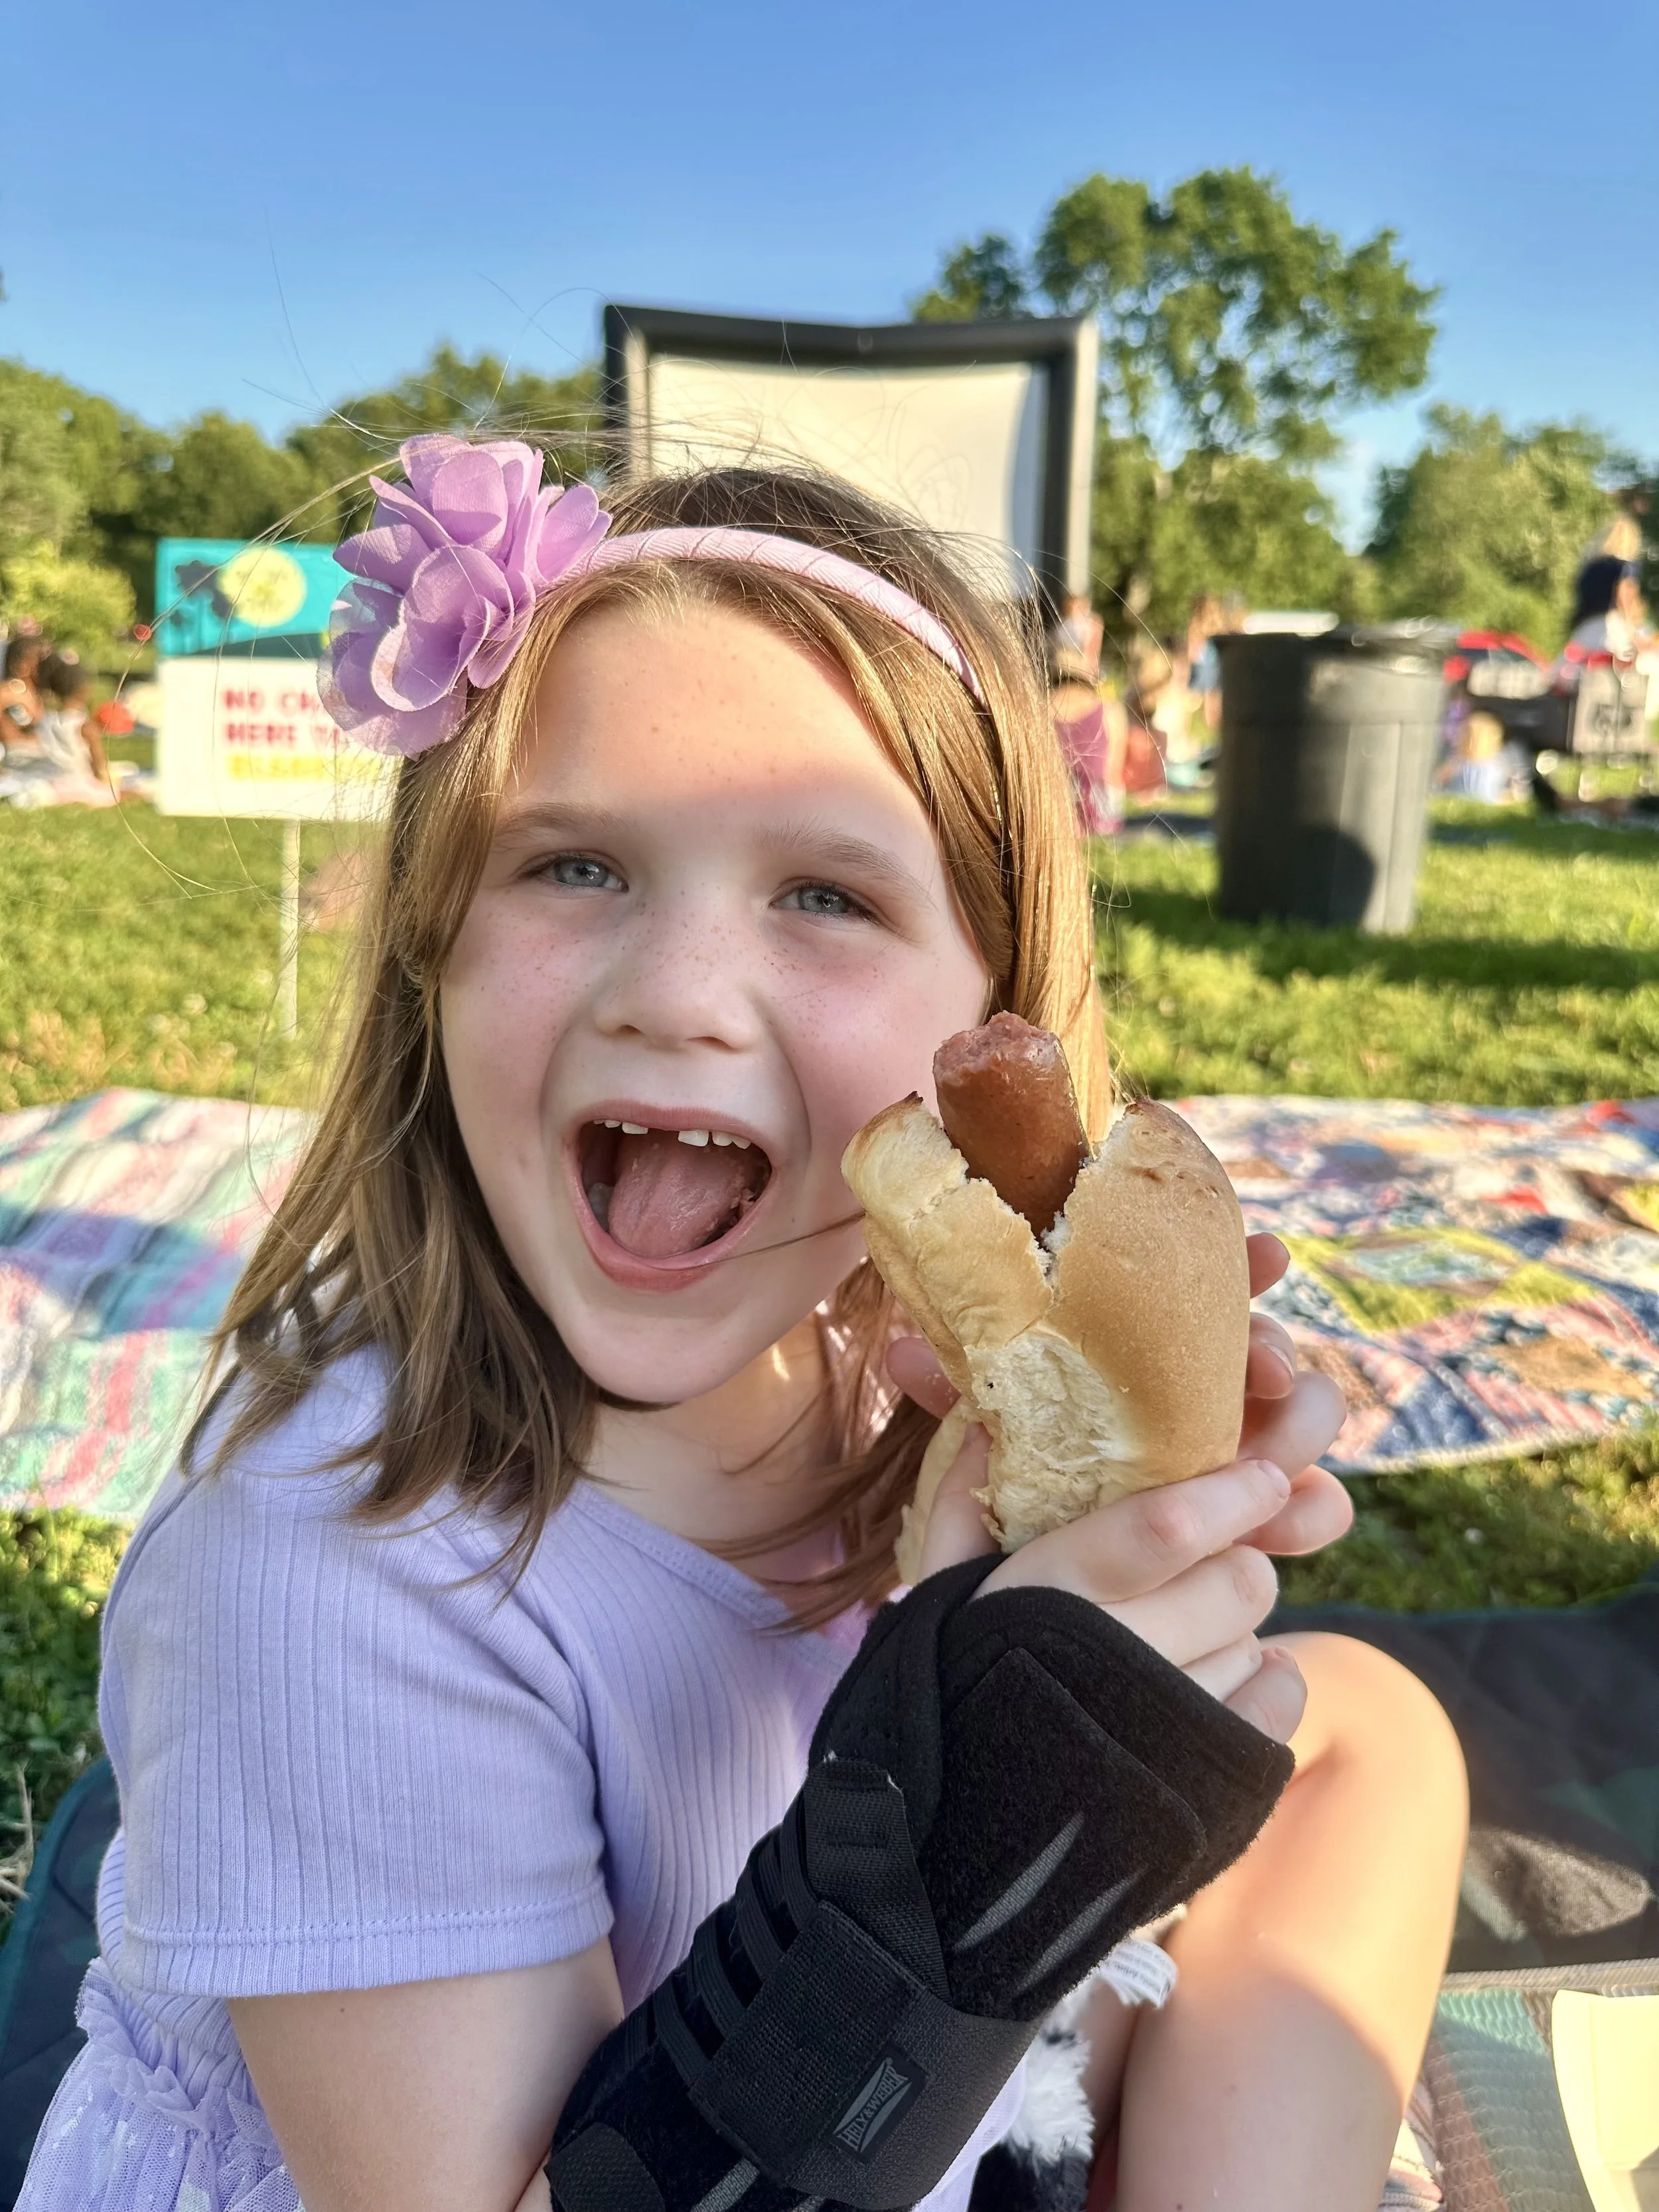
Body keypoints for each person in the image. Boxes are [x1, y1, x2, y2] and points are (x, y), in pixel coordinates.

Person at [17, 446, 1467, 2212]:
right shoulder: (328, 1567)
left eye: (824, 896)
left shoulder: (886, 1381)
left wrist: (1039, 1576)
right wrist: (968, 1828)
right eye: (574, 867)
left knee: (1363, 1725)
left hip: (861, 2092)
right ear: (433, 946)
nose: (677, 993)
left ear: (984, 1027)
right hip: (649, 2158)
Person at [1048, 642, 1123, 834]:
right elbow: (1113, 771)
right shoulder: (1109, 709)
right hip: (1097, 805)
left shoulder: (1040, 707)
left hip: (1054, 806)